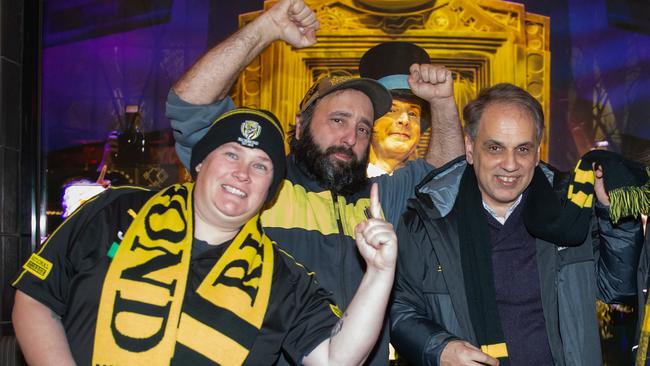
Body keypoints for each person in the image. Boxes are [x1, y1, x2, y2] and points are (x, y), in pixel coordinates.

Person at [166, 0, 464, 364]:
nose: (351, 136)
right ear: (301, 124)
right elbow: (191, 104)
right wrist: (267, 27)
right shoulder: (262, 183)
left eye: (363, 127)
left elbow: (445, 175)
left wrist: (444, 103)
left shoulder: (377, 199)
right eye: (338, 120)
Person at [11, 108, 398, 366]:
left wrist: (380, 273)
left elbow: (335, 359)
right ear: (200, 162)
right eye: (231, 154)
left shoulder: (284, 279)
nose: (242, 173)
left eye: (260, 165)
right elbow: (35, 300)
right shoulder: (116, 210)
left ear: (272, 190)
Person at [390, 83, 643, 365]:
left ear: (537, 153)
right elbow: (400, 308)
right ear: (470, 148)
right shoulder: (429, 218)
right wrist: (439, 349)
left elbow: (616, 287)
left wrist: (611, 212)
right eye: (495, 147)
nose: (510, 164)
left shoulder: (570, 211)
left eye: (523, 149)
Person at [359, 41, 433, 177]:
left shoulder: (430, 188)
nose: (405, 120)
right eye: (392, 110)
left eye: (412, 113)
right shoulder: (342, 184)